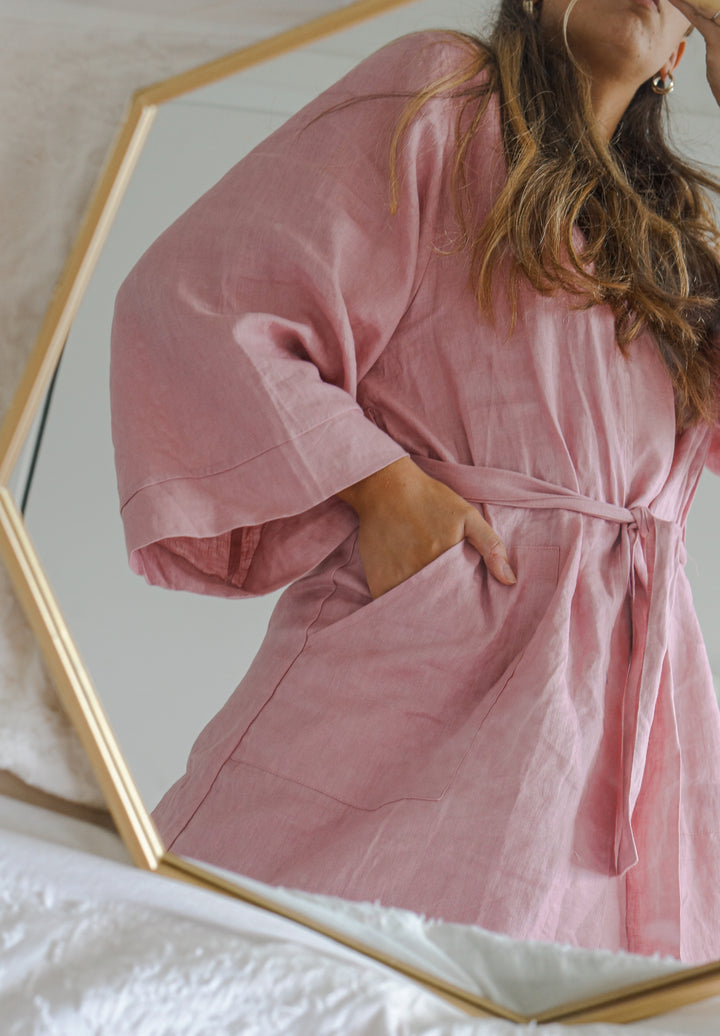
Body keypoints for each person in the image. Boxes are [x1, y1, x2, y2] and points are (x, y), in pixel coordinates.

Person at [110, 0, 720, 960]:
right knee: (255, 965)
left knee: (527, 994)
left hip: (619, 710)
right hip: (439, 650)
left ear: (681, 50)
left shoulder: (676, 244)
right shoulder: (447, 94)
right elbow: (198, 297)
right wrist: (382, 486)